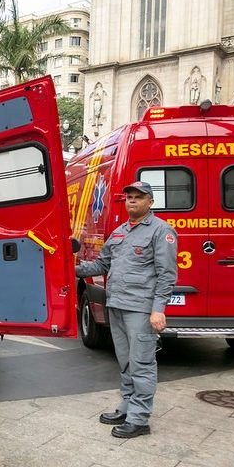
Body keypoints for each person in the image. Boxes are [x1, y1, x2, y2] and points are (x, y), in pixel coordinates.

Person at [75, 181, 178, 438]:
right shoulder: (120, 231)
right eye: (129, 197)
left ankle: (140, 419)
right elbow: (101, 264)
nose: (132, 201)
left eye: (138, 197)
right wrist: (68, 269)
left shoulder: (160, 231)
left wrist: (158, 309)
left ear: (150, 202)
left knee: (142, 363)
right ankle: (127, 406)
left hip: (141, 309)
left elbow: (167, 275)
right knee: (126, 362)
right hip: (116, 306)